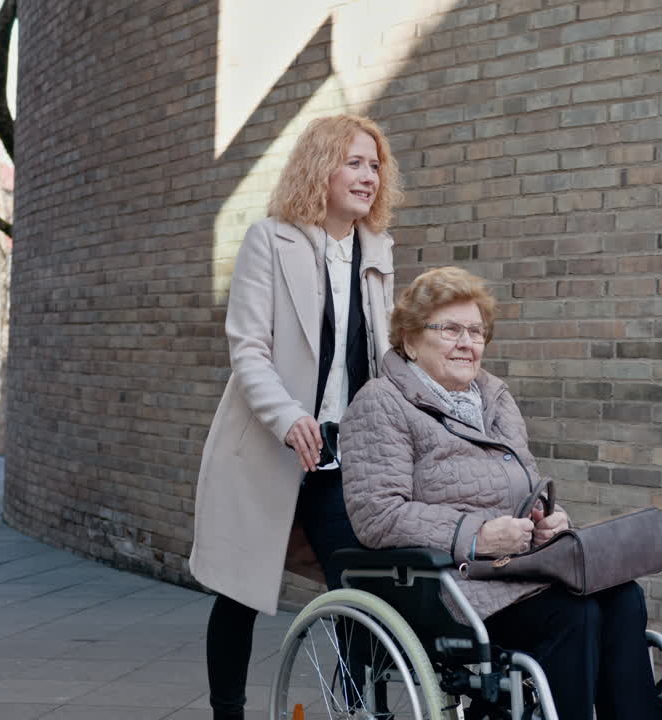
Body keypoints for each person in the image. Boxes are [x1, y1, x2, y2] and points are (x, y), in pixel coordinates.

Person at [340, 266, 662, 720]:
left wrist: (546, 521)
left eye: (476, 331)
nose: (467, 342)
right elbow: (378, 515)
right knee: (575, 616)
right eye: (451, 329)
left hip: (520, 570)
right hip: (450, 585)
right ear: (410, 340)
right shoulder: (381, 402)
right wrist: (478, 535)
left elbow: (526, 486)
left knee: (623, 596)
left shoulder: (494, 398)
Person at [188, 114, 402, 720]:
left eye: (375, 164)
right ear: (321, 168)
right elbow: (248, 349)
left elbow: (381, 355)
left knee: (361, 590)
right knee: (240, 592)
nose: (369, 175)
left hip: (342, 453)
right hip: (269, 446)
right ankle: (227, 712)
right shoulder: (269, 240)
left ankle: (360, 710)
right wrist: (286, 416)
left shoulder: (377, 251)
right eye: (355, 162)